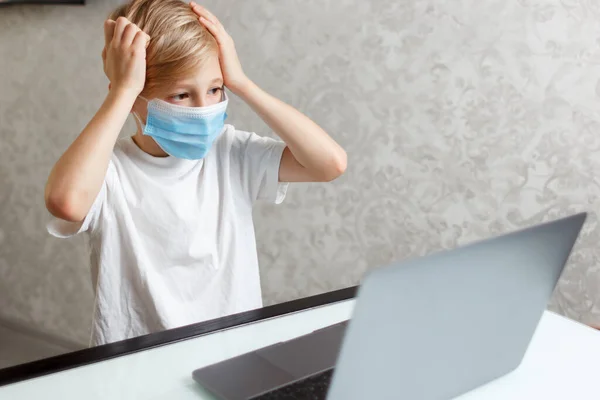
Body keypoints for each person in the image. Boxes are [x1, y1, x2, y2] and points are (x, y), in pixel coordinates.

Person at [44, 0, 346, 346]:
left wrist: (243, 83)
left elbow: (329, 164)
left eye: (216, 89)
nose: (205, 110)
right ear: (136, 96)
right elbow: (66, 202)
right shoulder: (109, 173)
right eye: (182, 94)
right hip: (136, 365)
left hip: (233, 355)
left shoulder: (231, 152)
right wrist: (121, 90)